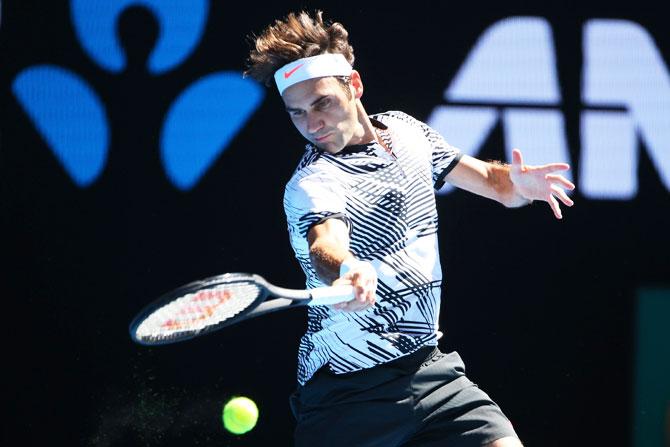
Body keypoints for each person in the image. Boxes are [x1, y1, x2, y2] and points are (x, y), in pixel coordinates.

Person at [244, 10, 574, 447]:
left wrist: (518, 184)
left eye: (322, 102)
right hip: (347, 392)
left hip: (430, 370)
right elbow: (325, 243)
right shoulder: (312, 182)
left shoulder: (407, 132)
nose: (313, 123)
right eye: (297, 113)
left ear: (354, 86)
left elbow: (493, 184)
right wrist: (347, 269)